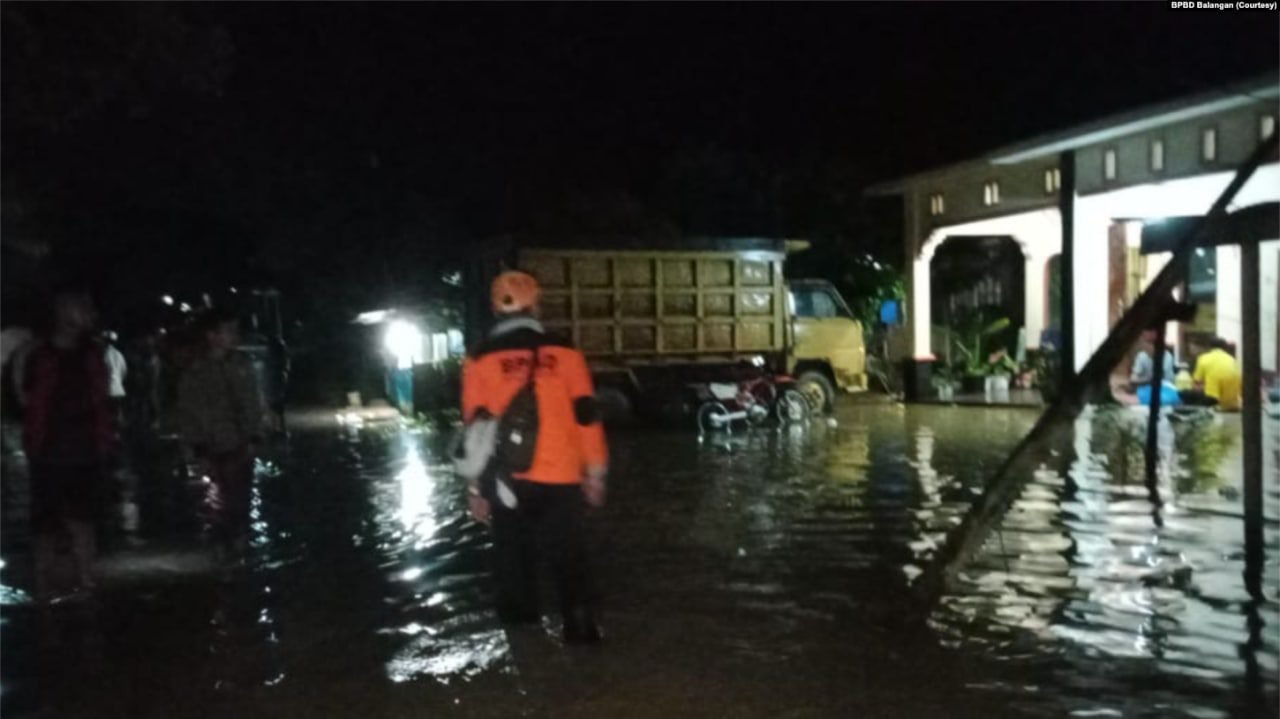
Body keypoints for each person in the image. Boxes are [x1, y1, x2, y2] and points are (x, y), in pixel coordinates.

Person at [461, 271, 608, 643]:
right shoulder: (567, 354)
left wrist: (476, 488)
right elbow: (587, 417)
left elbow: (474, 430)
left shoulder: (480, 360)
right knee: (569, 555)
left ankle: (524, 647)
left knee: (512, 556)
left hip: (507, 480)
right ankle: (581, 632)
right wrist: (595, 472)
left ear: (495, 309)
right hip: (561, 479)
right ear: (536, 304)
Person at [23, 291, 113, 597]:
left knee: (82, 519)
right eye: (82, 310)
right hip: (49, 450)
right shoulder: (39, 355)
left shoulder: (91, 355)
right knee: (47, 524)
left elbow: (101, 400)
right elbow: (23, 399)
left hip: (83, 449)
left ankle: (84, 581)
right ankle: (45, 584)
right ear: (64, 314)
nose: (89, 316)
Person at [177, 309, 265, 558]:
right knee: (220, 503)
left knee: (241, 500)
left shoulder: (242, 364)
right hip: (213, 446)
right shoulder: (195, 371)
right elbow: (189, 413)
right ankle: (224, 549)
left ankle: (238, 547)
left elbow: (253, 403)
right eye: (229, 330)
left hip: (241, 443)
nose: (235, 335)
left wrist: (255, 436)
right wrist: (196, 449)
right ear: (212, 335)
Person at [1181, 337, 1242, 410]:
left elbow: (1196, 383)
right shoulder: (1232, 360)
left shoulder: (1204, 358)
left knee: (1185, 393)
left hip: (1214, 401)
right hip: (1232, 402)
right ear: (1225, 348)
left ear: (1209, 347)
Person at [103, 331, 128, 428]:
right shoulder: (119, 354)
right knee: (118, 412)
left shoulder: (104, 355)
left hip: (108, 389)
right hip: (119, 389)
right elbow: (124, 371)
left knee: (108, 413)